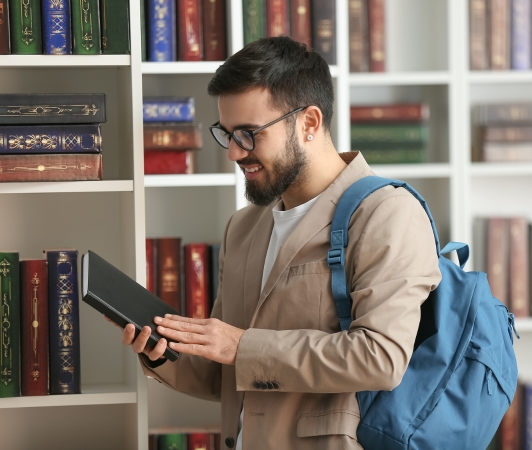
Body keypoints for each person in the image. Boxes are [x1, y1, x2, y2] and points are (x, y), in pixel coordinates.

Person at [122, 36, 441, 450]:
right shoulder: (243, 227)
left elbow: (380, 357)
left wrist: (242, 345)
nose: (234, 153)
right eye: (227, 134)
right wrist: (160, 348)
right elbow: (227, 371)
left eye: (249, 134)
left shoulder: (386, 213)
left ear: (309, 122)